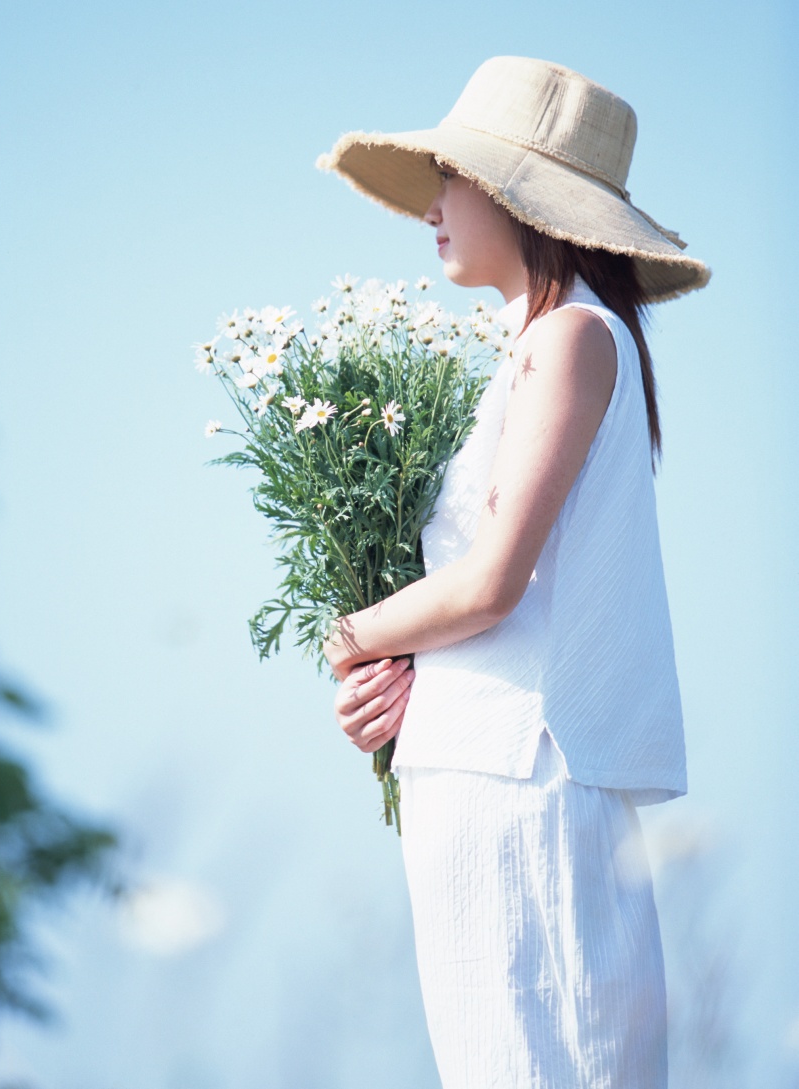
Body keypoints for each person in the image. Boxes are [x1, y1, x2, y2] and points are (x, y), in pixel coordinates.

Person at [317, 57, 710, 1089]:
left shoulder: (572, 336)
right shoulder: (540, 343)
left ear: (518, 197)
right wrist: (391, 686)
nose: (432, 207)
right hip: (481, 762)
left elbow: (491, 583)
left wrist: (352, 634)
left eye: (452, 177)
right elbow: (496, 601)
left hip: (519, 773)